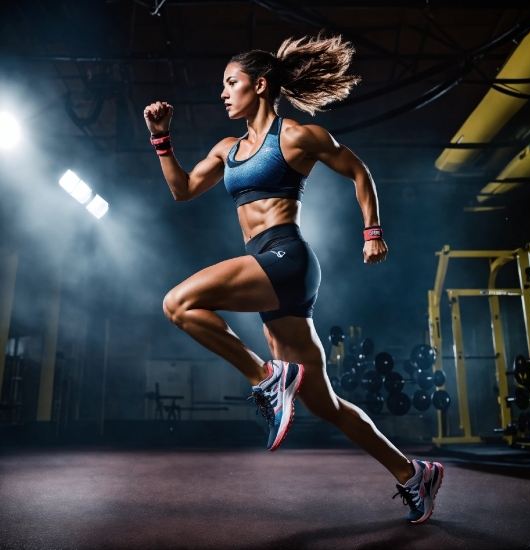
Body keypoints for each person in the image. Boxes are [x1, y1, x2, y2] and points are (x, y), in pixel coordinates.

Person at [143, 34, 443, 524]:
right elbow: (182, 189)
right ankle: (414, 474)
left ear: (260, 86)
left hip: (287, 257)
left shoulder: (298, 136)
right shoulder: (227, 149)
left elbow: (358, 170)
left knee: (177, 304)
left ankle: (266, 378)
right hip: (266, 271)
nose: (223, 92)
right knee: (326, 404)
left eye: (231, 83)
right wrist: (161, 138)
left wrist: (372, 232)